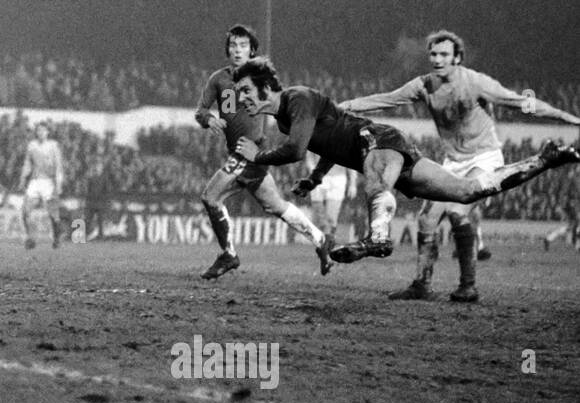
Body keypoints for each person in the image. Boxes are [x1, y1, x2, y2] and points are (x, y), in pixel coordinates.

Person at [230, 57, 580, 271]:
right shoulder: (286, 120)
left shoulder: (297, 98)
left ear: (264, 86)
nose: (242, 98)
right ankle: (545, 159)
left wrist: (256, 156)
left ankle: (377, 239)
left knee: (377, 186)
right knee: (467, 192)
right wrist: (316, 178)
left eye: (245, 90)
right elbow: (329, 143)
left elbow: (294, 151)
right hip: (383, 147)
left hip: (376, 140)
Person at [339, 31, 579, 301]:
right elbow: (386, 99)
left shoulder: (475, 82)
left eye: (444, 54)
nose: (437, 59)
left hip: (484, 157)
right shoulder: (424, 85)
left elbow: (522, 102)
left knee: (456, 211)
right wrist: (342, 107)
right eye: (433, 54)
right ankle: (422, 284)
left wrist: (567, 117)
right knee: (427, 218)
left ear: (457, 58)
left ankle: (468, 286)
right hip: (453, 161)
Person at [194, 24, 333, 279]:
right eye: (233, 45)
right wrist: (208, 119)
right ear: (227, 49)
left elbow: (281, 103)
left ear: (252, 50)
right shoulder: (219, 79)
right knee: (276, 205)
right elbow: (200, 111)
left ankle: (229, 255)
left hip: (251, 151)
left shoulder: (259, 79)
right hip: (241, 153)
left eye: (243, 45)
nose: (237, 50)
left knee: (210, 197)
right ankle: (321, 239)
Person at [20, 121, 64, 249]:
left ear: (47, 132)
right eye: (38, 130)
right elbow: (28, 163)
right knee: (25, 211)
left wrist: (59, 183)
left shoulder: (53, 146)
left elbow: (58, 166)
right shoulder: (32, 145)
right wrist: (23, 178)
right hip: (35, 181)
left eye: (43, 130)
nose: (40, 133)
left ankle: (57, 238)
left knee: (53, 214)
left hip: (48, 182)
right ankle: (31, 238)